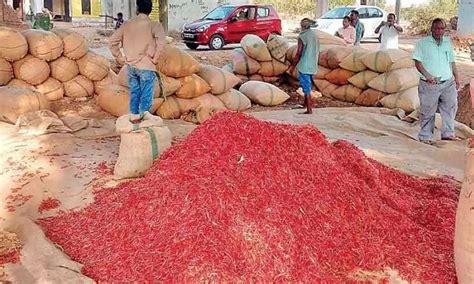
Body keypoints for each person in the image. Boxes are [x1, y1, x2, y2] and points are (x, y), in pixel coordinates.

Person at [109, 0, 165, 123]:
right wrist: (155, 59)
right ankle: (143, 121)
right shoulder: (155, 25)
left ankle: (133, 117)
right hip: (147, 65)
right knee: (146, 96)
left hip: (131, 66)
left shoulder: (127, 24)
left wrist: (120, 58)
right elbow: (161, 44)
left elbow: (112, 41)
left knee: (134, 92)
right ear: (150, 10)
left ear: (137, 9)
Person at [412, 18, 460, 144]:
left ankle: (448, 134)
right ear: (432, 29)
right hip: (429, 84)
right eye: (437, 28)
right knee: (428, 110)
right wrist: (427, 75)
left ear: (445, 30)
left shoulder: (447, 43)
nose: (439, 31)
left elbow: (452, 62)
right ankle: (426, 136)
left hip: (448, 82)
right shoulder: (422, 43)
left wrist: (457, 78)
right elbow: (418, 62)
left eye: (442, 28)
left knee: (450, 108)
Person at [292, 18, 320, 114]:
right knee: (307, 85)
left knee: (306, 88)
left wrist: (292, 66)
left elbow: (298, 53)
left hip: (304, 64)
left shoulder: (302, 36)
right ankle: (305, 105)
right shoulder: (314, 35)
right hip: (312, 64)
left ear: (302, 26)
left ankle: (309, 109)